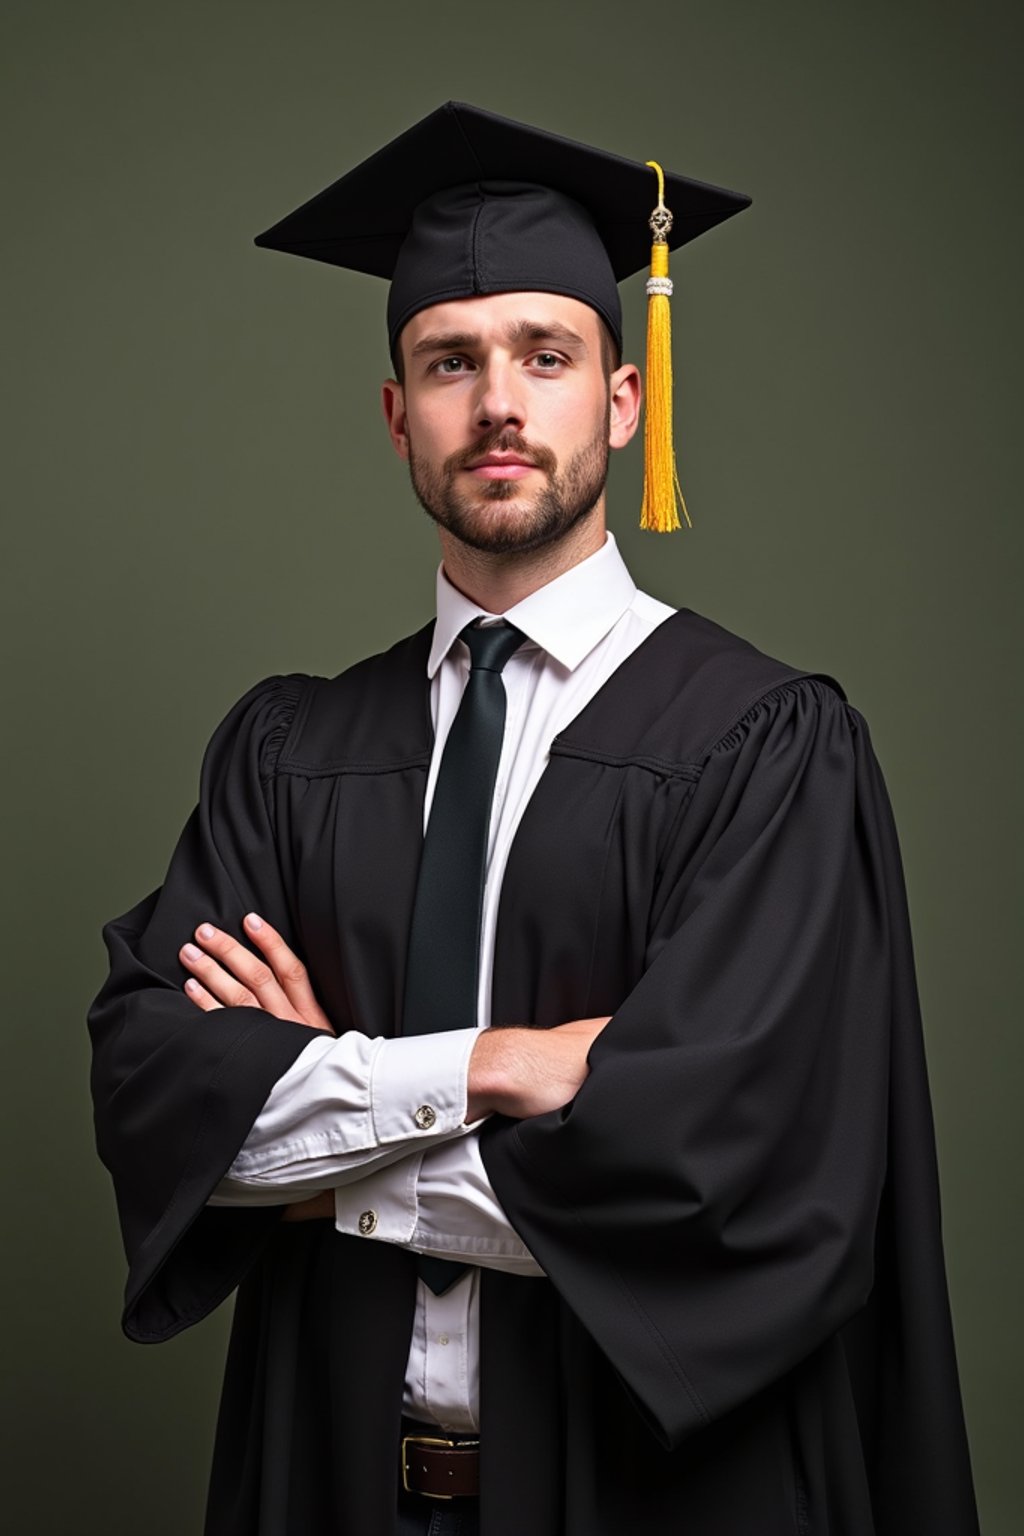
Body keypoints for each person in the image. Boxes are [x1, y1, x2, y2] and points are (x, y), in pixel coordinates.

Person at [88, 102, 980, 1536]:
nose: (498, 401)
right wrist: (499, 1067)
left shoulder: (767, 752)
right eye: (451, 361)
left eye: (545, 356)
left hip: (666, 1499)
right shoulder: (287, 752)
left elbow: (723, 1183)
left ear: (623, 399)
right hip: (338, 1489)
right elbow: (160, 1104)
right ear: (398, 417)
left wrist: (333, 1123)